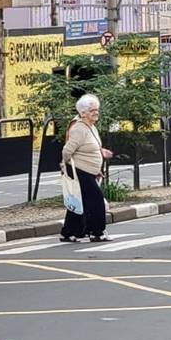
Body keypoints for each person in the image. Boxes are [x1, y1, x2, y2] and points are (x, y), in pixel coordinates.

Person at [60, 94, 114, 242]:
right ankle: (97, 232)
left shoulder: (91, 126)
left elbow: (91, 147)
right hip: (80, 171)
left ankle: (69, 232)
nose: (95, 112)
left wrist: (100, 155)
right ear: (83, 113)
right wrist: (68, 167)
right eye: (91, 110)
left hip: (88, 171)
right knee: (95, 200)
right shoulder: (79, 128)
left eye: (96, 109)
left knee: (79, 201)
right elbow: (66, 151)